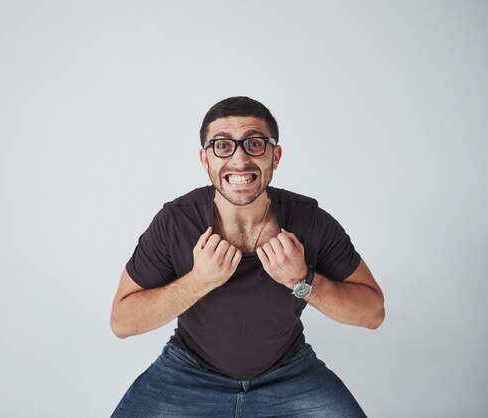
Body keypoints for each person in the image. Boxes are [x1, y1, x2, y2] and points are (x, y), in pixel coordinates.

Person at [110, 96, 385, 417]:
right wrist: (198, 281)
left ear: (275, 155)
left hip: (289, 372)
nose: (240, 159)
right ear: (205, 159)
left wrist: (303, 280)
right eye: (223, 146)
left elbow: (372, 313)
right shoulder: (175, 221)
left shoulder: (309, 219)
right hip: (187, 373)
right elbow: (122, 321)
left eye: (254, 144)